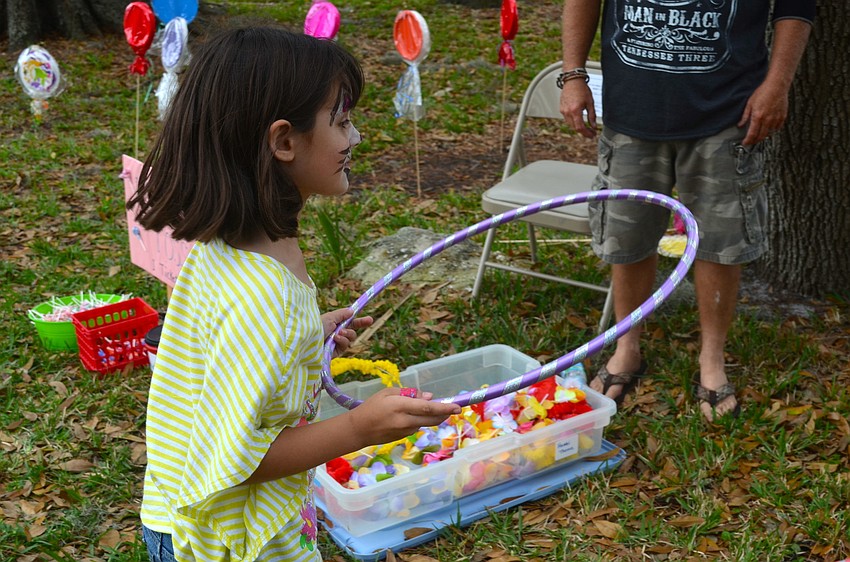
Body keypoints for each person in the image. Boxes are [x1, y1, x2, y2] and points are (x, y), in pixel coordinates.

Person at [127, 26, 462, 561]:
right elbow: (238, 459)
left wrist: (308, 332)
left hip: (183, 510)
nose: (355, 138)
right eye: (342, 121)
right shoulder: (267, 297)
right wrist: (359, 426)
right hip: (224, 539)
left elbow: (221, 354)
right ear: (284, 141)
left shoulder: (226, 249)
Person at [559, 1, 814, 421]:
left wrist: (778, 85)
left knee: (719, 242)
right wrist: (573, 76)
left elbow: (795, 5)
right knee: (629, 238)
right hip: (631, 111)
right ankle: (627, 348)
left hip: (727, 112)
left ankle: (711, 361)